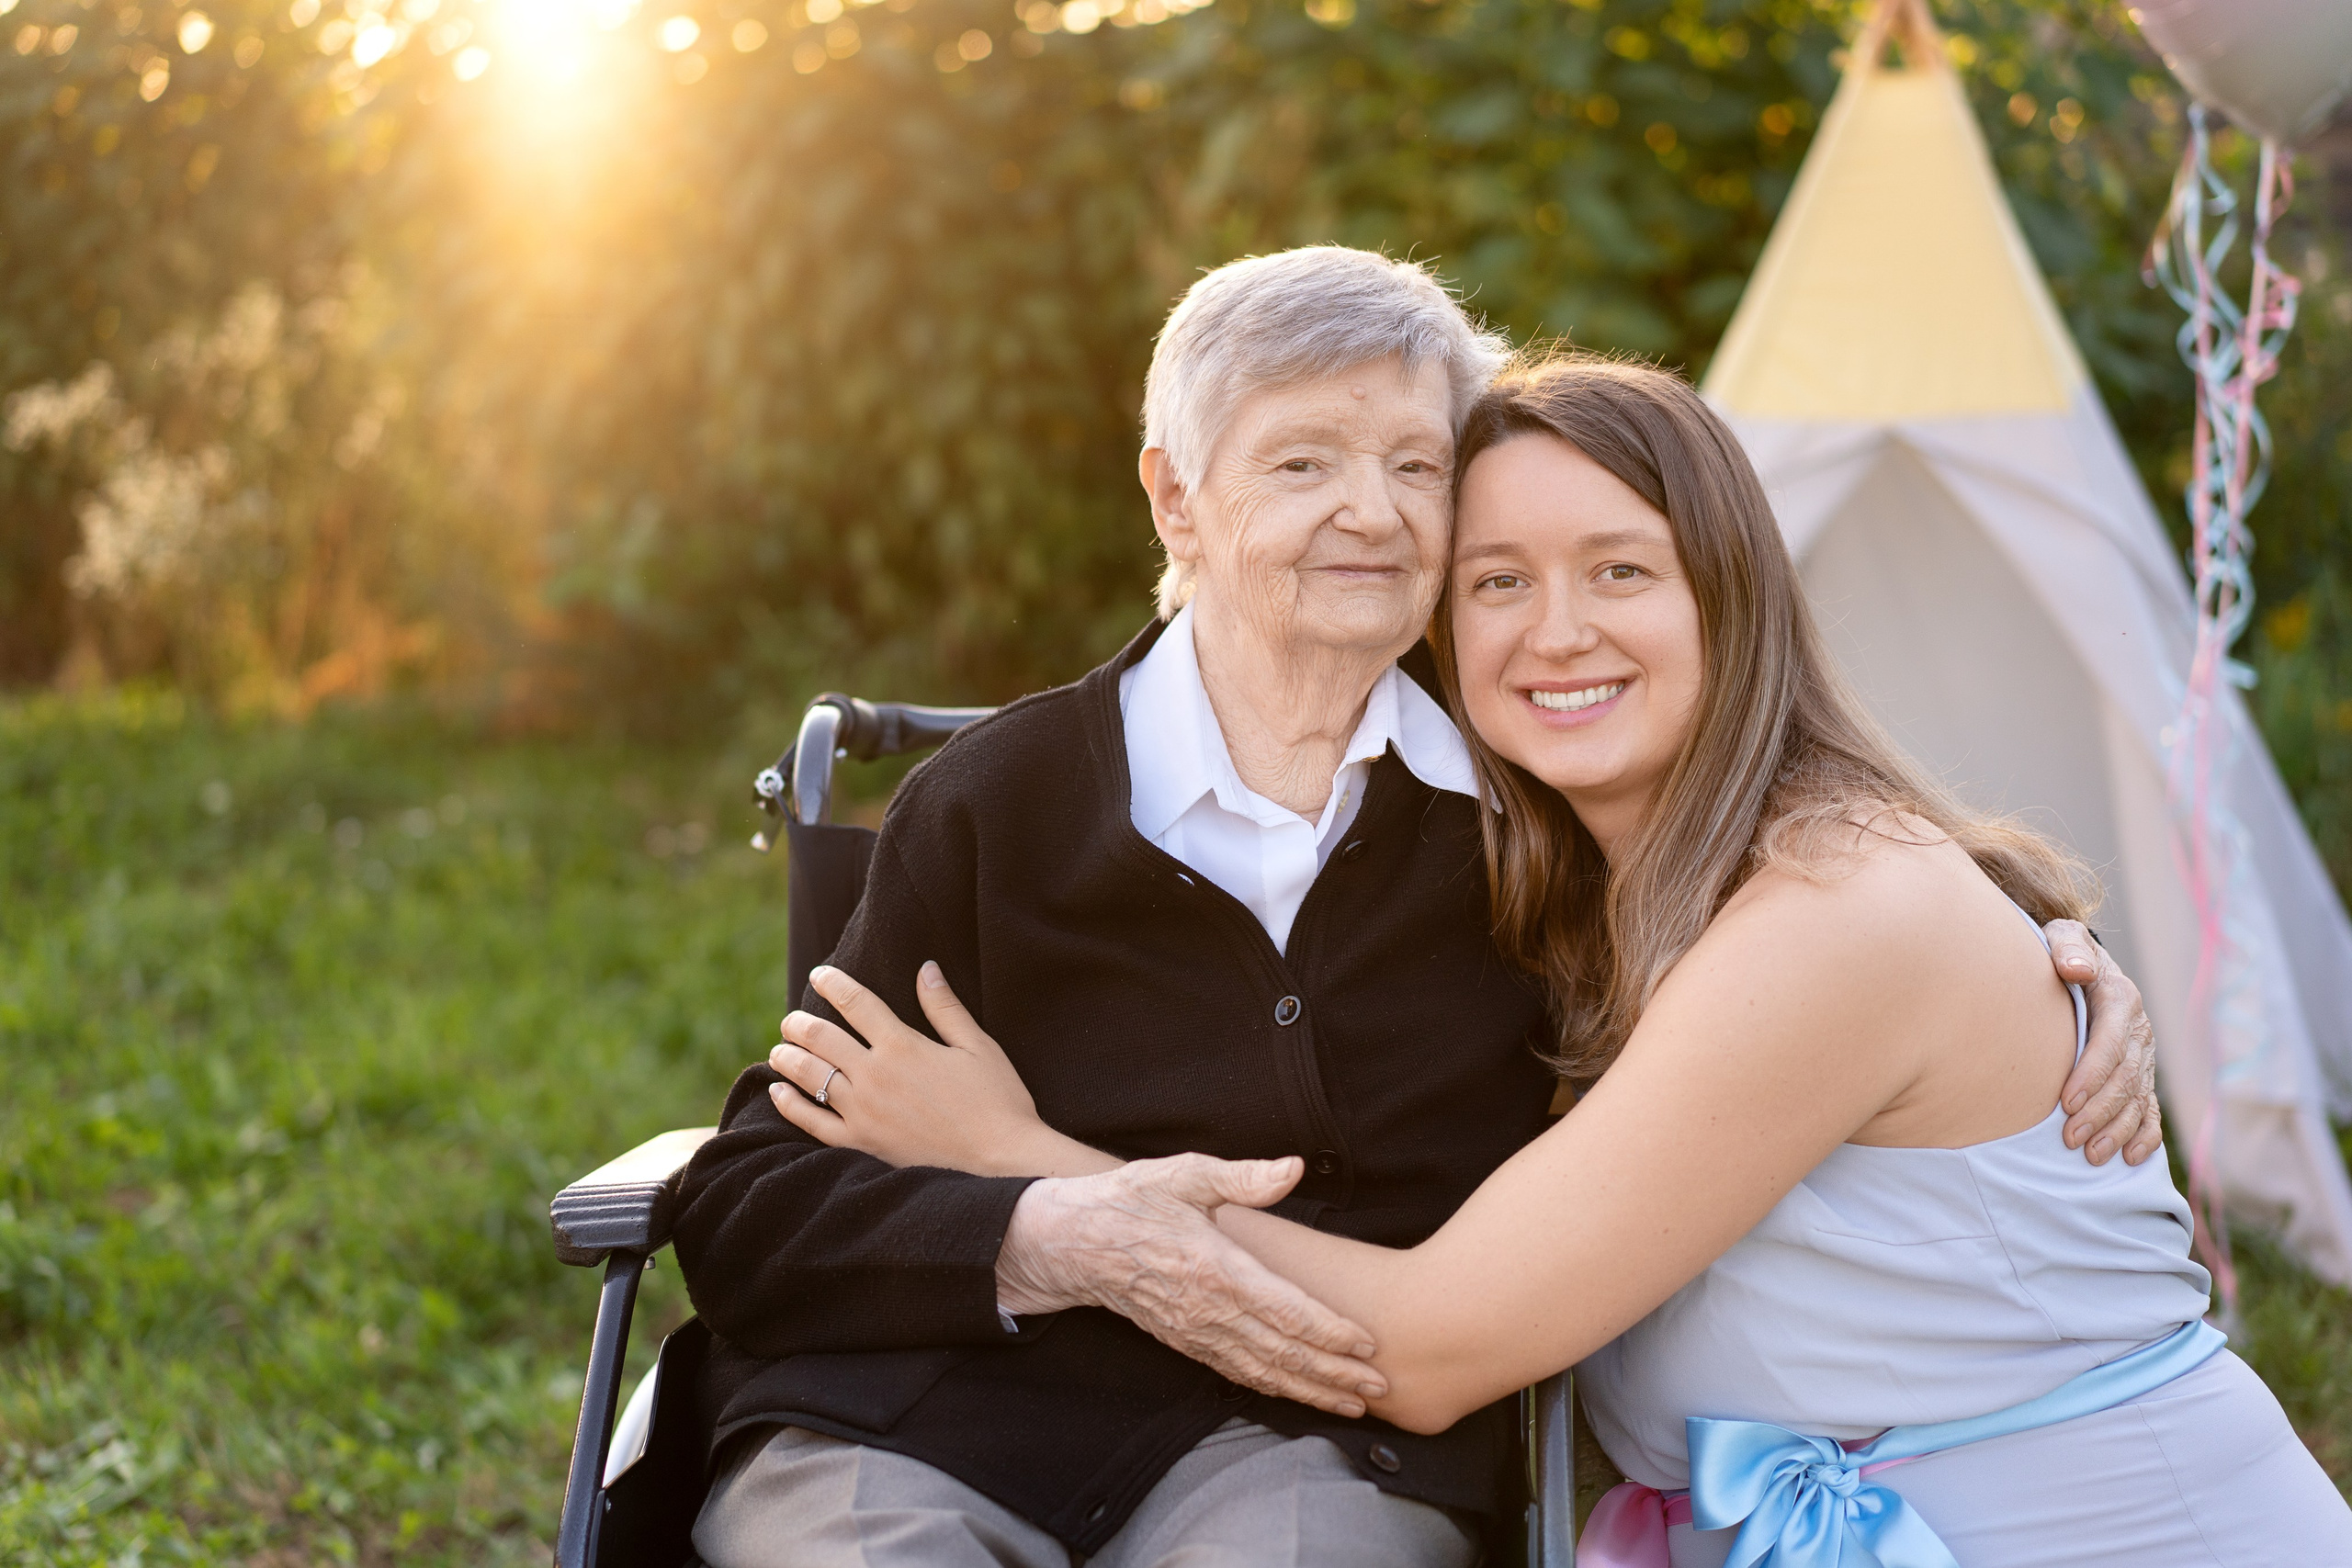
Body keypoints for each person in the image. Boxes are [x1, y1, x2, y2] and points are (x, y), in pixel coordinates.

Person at [676, 254, 2165, 1568]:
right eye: (1304, 463)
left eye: (1416, 464)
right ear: (1176, 498)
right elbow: (753, 1202)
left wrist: (2047, 961)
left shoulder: (1528, 789)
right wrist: (1050, 1229)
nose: (1371, 515)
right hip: (926, 1412)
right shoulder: (999, 803)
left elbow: (1786, 891)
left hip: (1311, 1439)